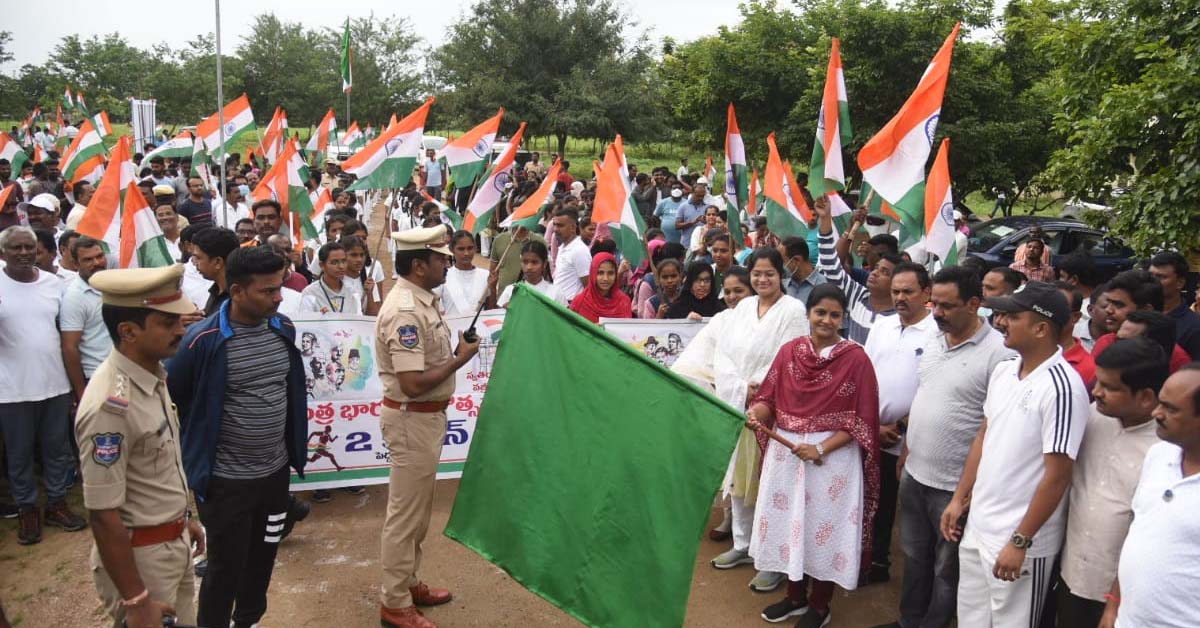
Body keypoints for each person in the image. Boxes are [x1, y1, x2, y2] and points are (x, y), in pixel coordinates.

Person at [167, 246, 308, 628]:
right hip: (225, 483)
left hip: (274, 476)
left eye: (279, 287)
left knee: (262, 560)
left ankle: (248, 621)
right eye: (268, 291)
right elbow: (176, 397)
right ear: (236, 291)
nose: (279, 297)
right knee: (225, 569)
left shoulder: (283, 328)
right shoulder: (202, 340)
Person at [870, 266, 1013, 628]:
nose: (937, 313)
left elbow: (993, 427)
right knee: (914, 556)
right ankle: (909, 620)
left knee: (946, 570)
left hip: (955, 486)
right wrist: (906, 450)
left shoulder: (1001, 355)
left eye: (948, 307)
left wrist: (963, 495)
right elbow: (924, 396)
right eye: (935, 304)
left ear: (975, 304)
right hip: (916, 473)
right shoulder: (935, 338)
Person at [941, 281, 1090, 627]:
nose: (1000, 321)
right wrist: (959, 499)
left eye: (1012, 316)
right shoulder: (1005, 370)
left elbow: (1058, 476)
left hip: (1020, 541)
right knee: (973, 620)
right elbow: (984, 436)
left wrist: (1021, 540)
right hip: (979, 527)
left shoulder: (1062, 387)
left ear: (1040, 328)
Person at [76, 264, 205, 628]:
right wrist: (136, 600)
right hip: (143, 560)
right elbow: (102, 513)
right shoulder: (110, 406)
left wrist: (184, 519)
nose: (181, 328)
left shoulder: (152, 374)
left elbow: (157, 468)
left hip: (170, 543)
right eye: (167, 322)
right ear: (128, 331)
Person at [673, 247, 808, 594]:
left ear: (781, 275)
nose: (763, 279)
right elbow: (724, 352)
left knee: (768, 483)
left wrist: (761, 388)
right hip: (739, 402)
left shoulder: (793, 311)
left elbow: (790, 355)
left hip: (772, 408)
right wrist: (738, 386)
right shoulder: (743, 308)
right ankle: (744, 544)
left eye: (770, 274)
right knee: (738, 479)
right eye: (757, 274)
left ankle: (773, 559)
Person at [747, 283, 881, 627]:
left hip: (832, 461)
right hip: (786, 456)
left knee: (825, 527)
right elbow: (768, 398)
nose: (826, 320)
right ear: (808, 314)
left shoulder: (856, 359)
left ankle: (820, 605)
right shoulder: (790, 351)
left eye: (835, 314)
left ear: (844, 319)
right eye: (820, 312)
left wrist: (820, 447)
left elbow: (861, 420)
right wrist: (757, 414)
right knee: (789, 522)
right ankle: (794, 597)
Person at [377, 226, 481, 628]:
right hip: (411, 420)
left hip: (425, 419)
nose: (447, 262)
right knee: (405, 516)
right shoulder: (405, 310)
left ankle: (408, 582)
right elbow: (412, 383)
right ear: (419, 265)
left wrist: (455, 351)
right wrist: (461, 360)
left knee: (418, 513)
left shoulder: (422, 300)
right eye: (440, 258)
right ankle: (395, 602)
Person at [1057, 338, 1168, 628]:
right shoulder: (1090, 417)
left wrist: (1116, 602)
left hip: (1122, 594)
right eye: (1098, 383)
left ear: (1145, 397)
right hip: (1070, 574)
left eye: (1109, 387)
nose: (1096, 392)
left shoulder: (1166, 451)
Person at [0, 226, 87, 545]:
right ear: (3, 253)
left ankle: (56, 503)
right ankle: (27, 509)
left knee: (57, 450)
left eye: (29, 247)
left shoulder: (54, 284)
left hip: (55, 383)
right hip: (11, 390)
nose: (23, 253)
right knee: (20, 454)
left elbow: (66, 332)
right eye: (15, 248)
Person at [1097, 365, 1200, 628]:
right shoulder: (1159, 454)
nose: (1156, 413)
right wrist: (1113, 605)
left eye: (1171, 409)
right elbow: (1140, 532)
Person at [861, 263, 937, 586]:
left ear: (926, 293)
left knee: (904, 509)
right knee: (870, 503)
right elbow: (863, 375)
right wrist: (870, 425)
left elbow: (933, 387)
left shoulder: (938, 333)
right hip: (870, 431)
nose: (900, 298)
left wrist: (901, 425)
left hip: (908, 438)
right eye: (896, 292)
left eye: (908, 291)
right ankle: (870, 561)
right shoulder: (882, 324)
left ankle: (897, 570)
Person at [815, 196, 898, 344]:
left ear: (897, 283)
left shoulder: (901, 317)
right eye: (877, 268)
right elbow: (830, 264)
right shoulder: (858, 296)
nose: (875, 272)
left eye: (885, 272)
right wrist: (826, 219)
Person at [60, 235, 113, 401]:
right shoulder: (75, 297)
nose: (97, 263)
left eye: (99, 256)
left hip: (121, 373)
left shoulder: (112, 285)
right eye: (88, 259)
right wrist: (82, 393)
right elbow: (70, 348)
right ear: (76, 264)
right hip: (97, 378)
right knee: (108, 427)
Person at [1149, 250, 1200, 359]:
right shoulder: (1136, 313)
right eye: (1150, 276)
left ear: (1180, 283)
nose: (1152, 282)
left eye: (1161, 277)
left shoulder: (1194, 327)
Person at [436, 230, 490, 318]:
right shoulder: (443, 276)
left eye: (470, 248)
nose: (466, 253)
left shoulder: (485, 275)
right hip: (452, 329)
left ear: (475, 248)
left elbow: (490, 310)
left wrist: (493, 287)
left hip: (479, 329)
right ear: (452, 250)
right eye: (461, 249)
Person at [1055, 281, 1097, 388]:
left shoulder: (1089, 369)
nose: (1047, 314)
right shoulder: (1023, 356)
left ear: (1076, 317)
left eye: (1056, 309)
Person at [568, 252, 631, 323]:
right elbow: (571, 330)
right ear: (593, 273)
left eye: (610, 273)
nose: (605, 278)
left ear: (616, 274)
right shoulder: (579, 302)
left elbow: (626, 330)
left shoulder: (623, 302)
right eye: (600, 273)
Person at [189, 227, 240, 315]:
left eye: (198, 258)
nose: (195, 263)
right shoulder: (216, 290)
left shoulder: (238, 297)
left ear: (217, 262)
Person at [301, 242, 361, 315]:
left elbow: (358, 321)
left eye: (344, 261)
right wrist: (319, 319)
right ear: (322, 265)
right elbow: (306, 322)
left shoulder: (352, 292)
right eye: (334, 262)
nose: (341, 266)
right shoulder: (310, 293)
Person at [1057, 252, 1100, 351]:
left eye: (1062, 276)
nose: (1059, 280)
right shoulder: (1098, 305)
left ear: (1074, 279)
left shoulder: (1085, 312)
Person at [489, 225, 546, 298]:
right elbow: (493, 272)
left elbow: (544, 272)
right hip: (504, 297)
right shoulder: (499, 240)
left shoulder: (540, 241)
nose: (529, 267)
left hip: (531, 298)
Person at [550, 208, 592, 305]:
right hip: (558, 304)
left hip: (571, 305)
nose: (555, 229)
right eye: (554, 225)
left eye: (560, 225)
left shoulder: (579, 251)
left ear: (573, 227)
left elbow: (588, 285)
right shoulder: (562, 247)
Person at [498, 240, 553, 307]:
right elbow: (499, 316)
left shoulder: (555, 293)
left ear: (544, 264)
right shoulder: (510, 290)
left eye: (534, 262)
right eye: (525, 262)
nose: (529, 267)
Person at [779, 236, 827, 306]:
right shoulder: (781, 287)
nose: (779, 265)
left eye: (782, 261)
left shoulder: (824, 286)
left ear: (796, 260)